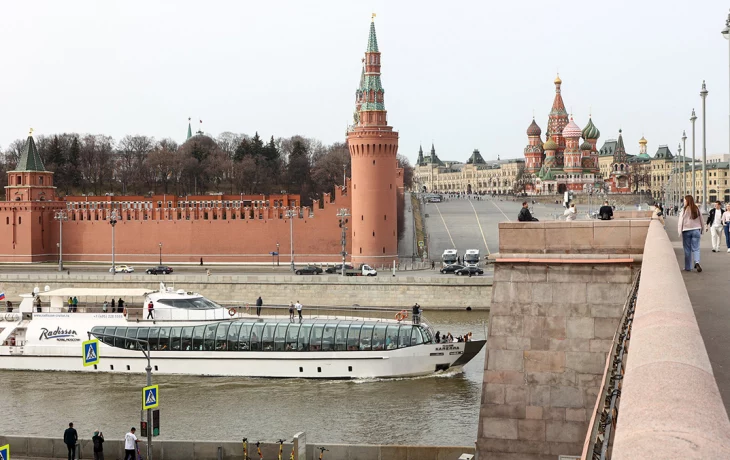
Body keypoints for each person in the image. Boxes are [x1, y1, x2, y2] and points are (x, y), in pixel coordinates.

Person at [678, 195, 704, 272]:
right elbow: (701, 219)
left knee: (687, 249)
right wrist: (702, 228)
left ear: (687, 201)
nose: (684, 202)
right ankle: (697, 262)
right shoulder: (696, 209)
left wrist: (680, 231)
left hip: (686, 230)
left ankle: (688, 267)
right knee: (696, 248)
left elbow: (680, 221)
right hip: (696, 230)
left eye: (684, 200)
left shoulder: (684, 210)